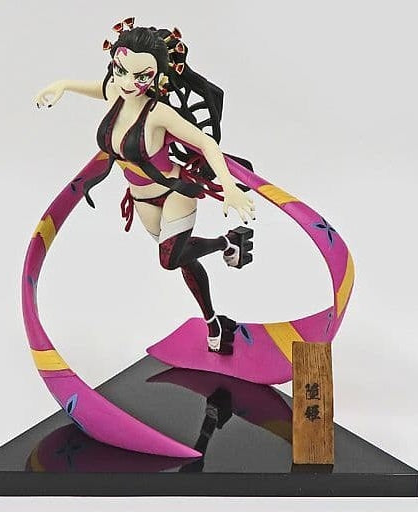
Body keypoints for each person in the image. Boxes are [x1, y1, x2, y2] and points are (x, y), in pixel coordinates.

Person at [34, 19, 256, 355]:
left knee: (170, 258)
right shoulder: (115, 92)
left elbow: (206, 144)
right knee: (180, 257)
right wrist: (62, 85)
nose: (127, 82)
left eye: (141, 76)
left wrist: (230, 186)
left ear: (156, 76)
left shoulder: (158, 113)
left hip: (175, 191)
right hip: (141, 199)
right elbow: (97, 87)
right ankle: (216, 314)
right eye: (120, 70)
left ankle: (227, 245)